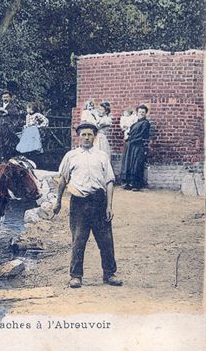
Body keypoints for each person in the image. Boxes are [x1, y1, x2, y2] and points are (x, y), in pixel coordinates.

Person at [53, 121, 122, 289]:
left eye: (89, 134)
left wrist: (109, 206)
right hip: (79, 203)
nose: (86, 137)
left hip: (99, 201)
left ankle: (109, 274)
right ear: (78, 137)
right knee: (78, 239)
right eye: (83, 134)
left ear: (95, 136)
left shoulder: (102, 156)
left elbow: (109, 182)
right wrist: (58, 202)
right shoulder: (71, 156)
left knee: (105, 240)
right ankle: (76, 276)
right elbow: (63, 180)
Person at [120, 104, 151, 191]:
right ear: (137, 113)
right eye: (140, 112)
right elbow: (130, 133)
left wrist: (131, 139)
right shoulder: (135, 123)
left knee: (136, 164)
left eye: (143, 112)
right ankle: (129, 183)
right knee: (130, 164)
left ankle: (136, 185)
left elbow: (142, 135)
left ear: (146, 113)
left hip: (138, 145)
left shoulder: (145, 123)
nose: (141, 113)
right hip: (131, 146)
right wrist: (128, 137)